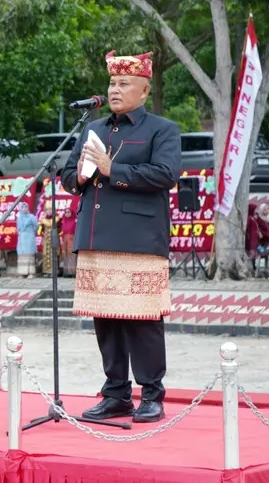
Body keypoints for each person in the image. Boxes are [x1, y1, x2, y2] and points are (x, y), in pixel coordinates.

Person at [60, 50, 181, 423]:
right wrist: (79, 175)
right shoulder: (92, 129)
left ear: (144, 91)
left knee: (142, 319)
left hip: (139, 239)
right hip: (96, 237)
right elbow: (67, 177)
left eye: (124, 83)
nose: (115, 89)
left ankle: (151, 394)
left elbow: (166, 174)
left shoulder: (162, 129)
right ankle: (116, 394)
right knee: (106, 318)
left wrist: (114, 169)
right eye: (112, 82)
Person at [16, 203, 38, 277]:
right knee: (22, 254)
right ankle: (22, 273)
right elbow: (18, 228)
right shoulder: (19, 218)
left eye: (26, 207)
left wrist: (31, 233)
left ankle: (31, 273)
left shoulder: (31, 217)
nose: (24, 209)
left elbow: (36, 226)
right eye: (23, 207)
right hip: (22, 238)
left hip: (29, 237)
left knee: (29, 254)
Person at [39, 201, 58, 277]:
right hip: (46, 240)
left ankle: (54, 271)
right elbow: (40, 231)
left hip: (55, 239)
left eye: (51, 209)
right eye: (48, 210)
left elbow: (60, 229)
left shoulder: (57, 219)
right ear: (45, 211)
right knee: (46, 254)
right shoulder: (43, 220)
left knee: (54, 254)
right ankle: (46, 271)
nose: (49, 211)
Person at [60, 208, 78, 276]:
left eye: (68, 212)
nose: (67, 213)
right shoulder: (64, 222)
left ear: (71, 213)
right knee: (65, 255)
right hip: (65, 240)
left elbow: (76, 232)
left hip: (72, 240)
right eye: (66, 212)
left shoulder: (74, 222)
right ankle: (66, 272)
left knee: (72, 255)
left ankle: (72, 272)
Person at [245, 203, 260, 271]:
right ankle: (249, 268)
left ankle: (253, 268)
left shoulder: (252, 218)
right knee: (250, 254)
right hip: (250, 239)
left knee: (253, 255)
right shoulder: (249, 219)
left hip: (254, 239)